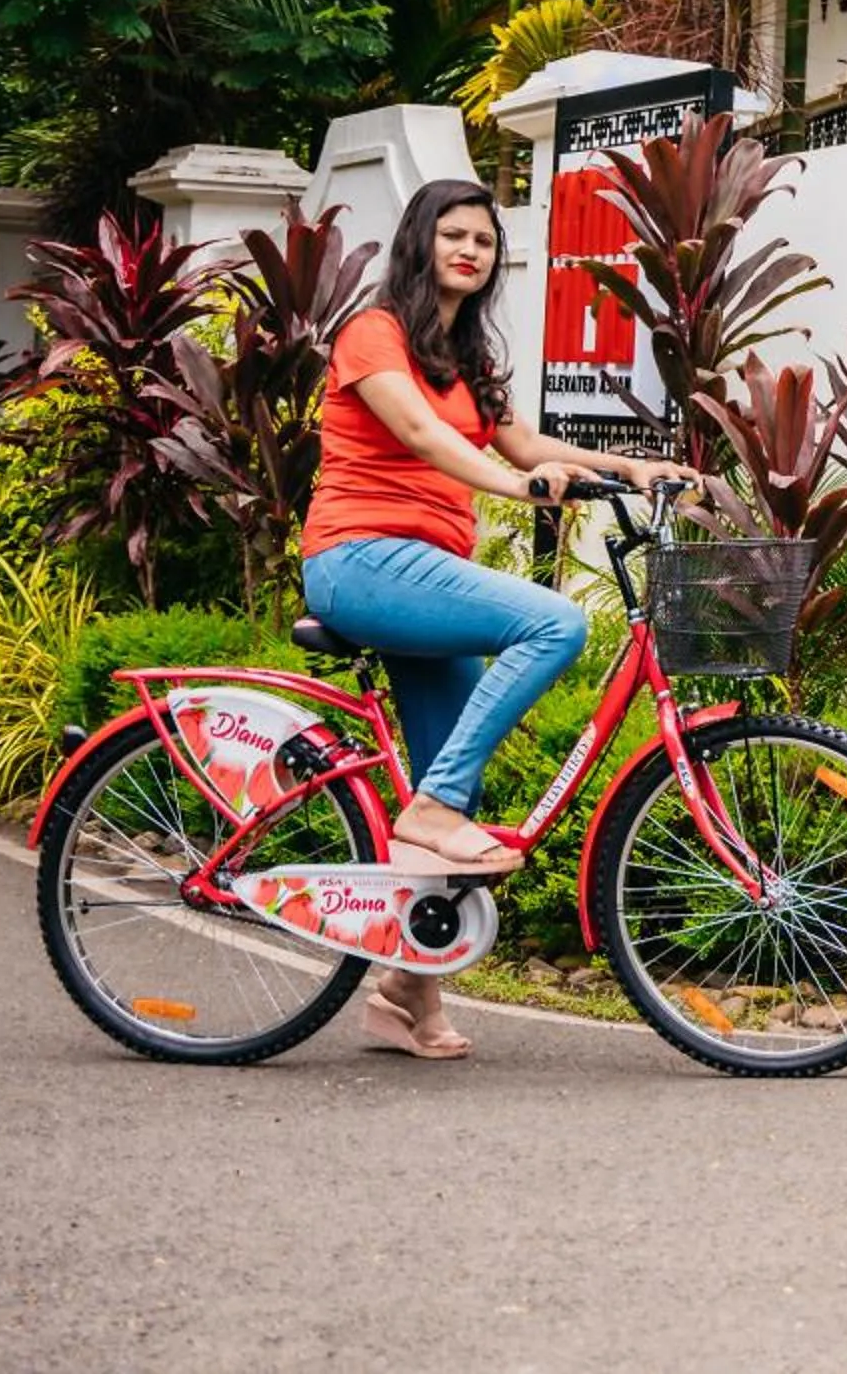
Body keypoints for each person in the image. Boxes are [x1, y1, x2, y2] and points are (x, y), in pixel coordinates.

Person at [300, 178, 665, 1060]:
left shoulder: (458, 349)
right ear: (421, 241)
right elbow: (426, 439)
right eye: (454, 235)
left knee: (449, 783)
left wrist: (634, 469)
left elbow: (525, 443)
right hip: (359, 559)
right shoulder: (373, 332)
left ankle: (403, 996)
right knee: (554, 624)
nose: (470, 251)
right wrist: (517, 489)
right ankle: (426, 815)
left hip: (422, 573)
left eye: (484, 241)